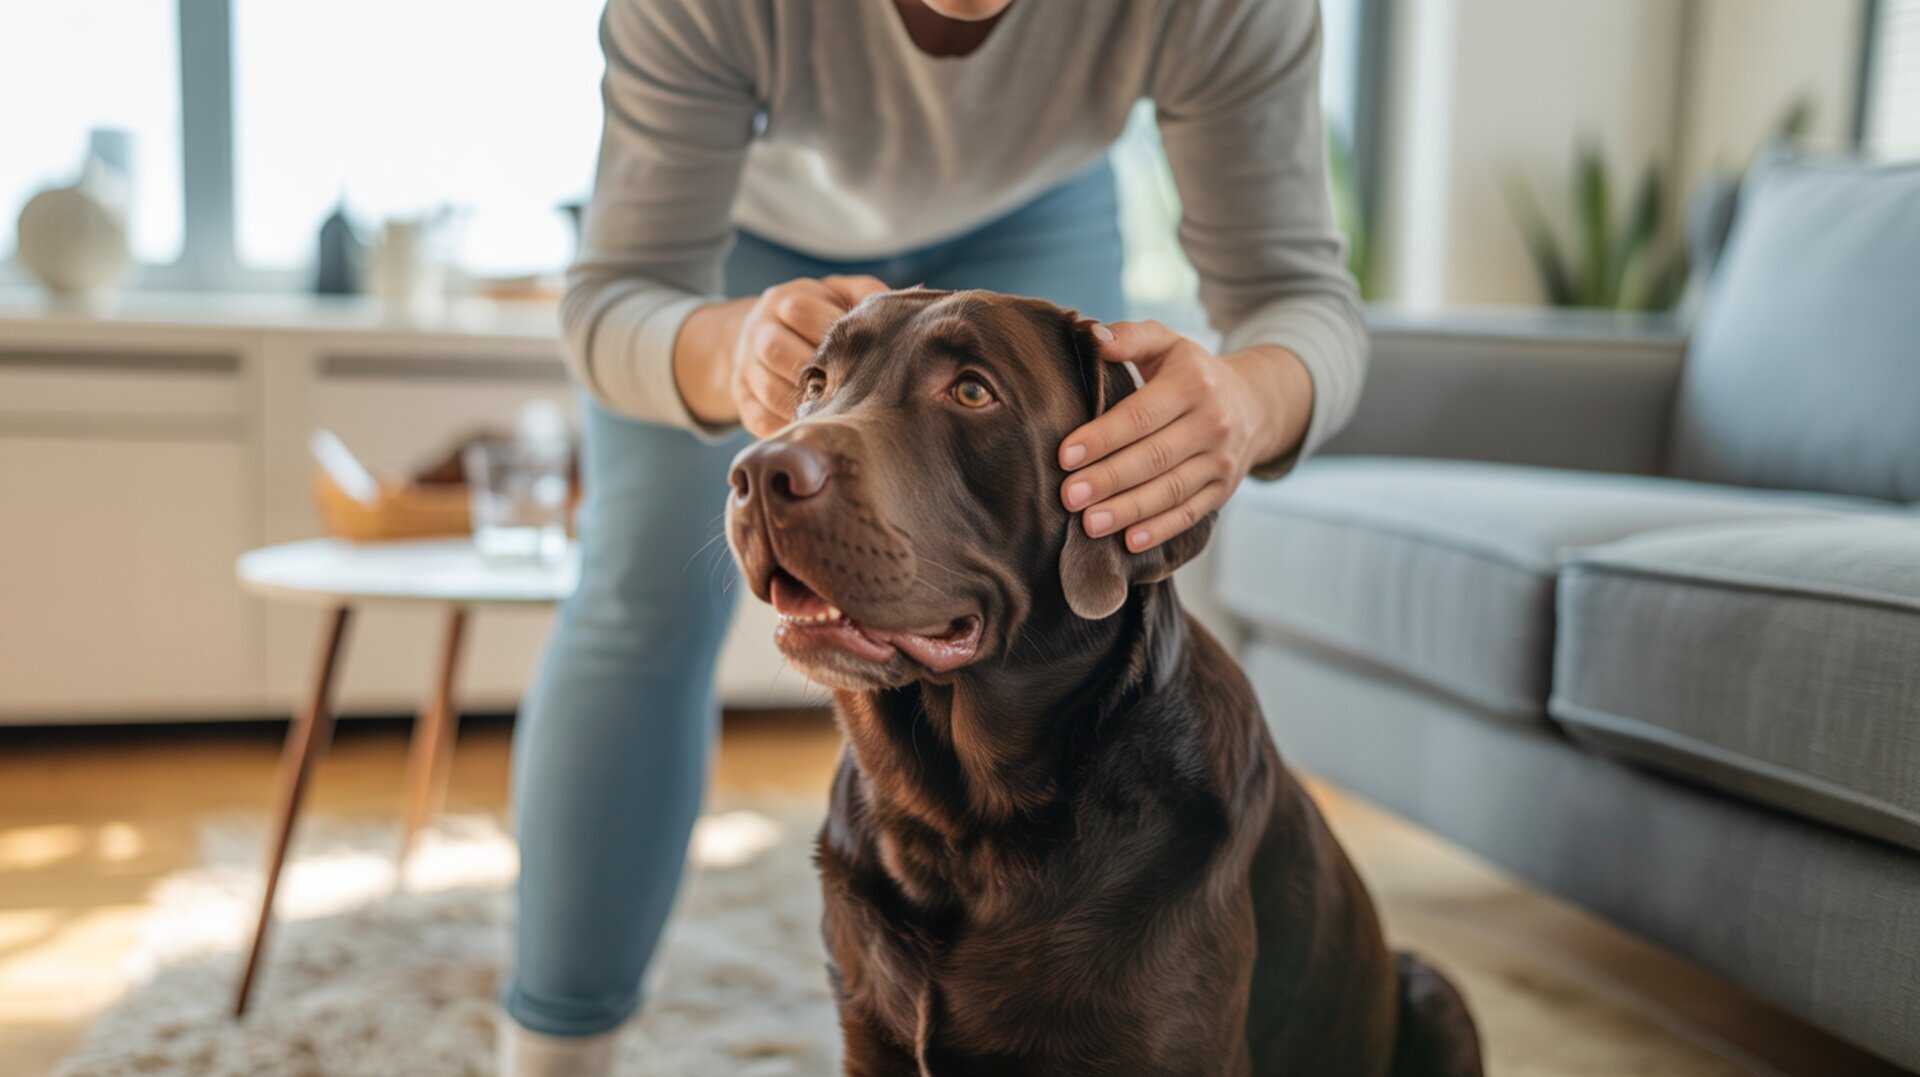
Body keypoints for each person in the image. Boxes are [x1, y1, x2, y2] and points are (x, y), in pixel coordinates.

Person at [500, 0, 1367, 1072]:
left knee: (1071, 582)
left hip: (1036, 198)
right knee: (638, 599)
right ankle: (555, 1048)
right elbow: (610, 299)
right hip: (746, 222)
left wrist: (1246, 401)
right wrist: (729, 351)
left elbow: (1299, 299)